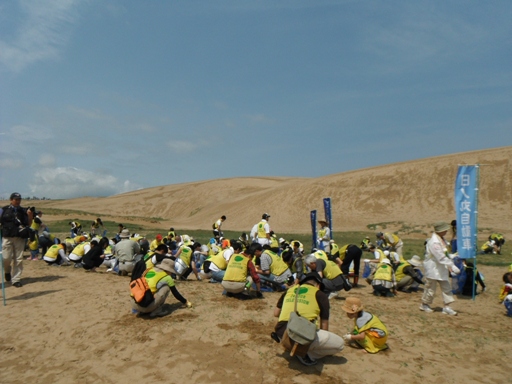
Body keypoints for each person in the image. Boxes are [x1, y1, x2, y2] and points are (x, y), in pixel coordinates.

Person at [272, 271, 344, 366]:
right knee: (340, 344)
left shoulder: (289, 290)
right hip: (301, 336)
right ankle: (306, 354)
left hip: (282, 332)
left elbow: (276, 313)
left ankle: (289, 344)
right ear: (318, 285)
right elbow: (324, 325)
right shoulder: (320, 295)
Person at [420, 222, 459, 316]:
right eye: (444, 230)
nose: (446, 231)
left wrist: (453, 256)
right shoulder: (434, 242)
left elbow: (444, 253)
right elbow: (440, 257)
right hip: (433, 268)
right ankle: (424, 304)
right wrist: (452, 265)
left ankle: (447, 307)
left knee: (446, 288)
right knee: (430, 288)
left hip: (442, 269)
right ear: (440, 231)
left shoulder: (442, 240)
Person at [0, 193, 33, 287]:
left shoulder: (23, 211)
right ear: (11, 200)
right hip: (7, 237)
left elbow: (29, 224)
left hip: (19, 237)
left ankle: (16, 279)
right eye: (16, 199)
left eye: (19, 199)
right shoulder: (4, 210)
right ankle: (7, 271)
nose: (18, 201)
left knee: (18, 259)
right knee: (6, 258)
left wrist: (30, 216)